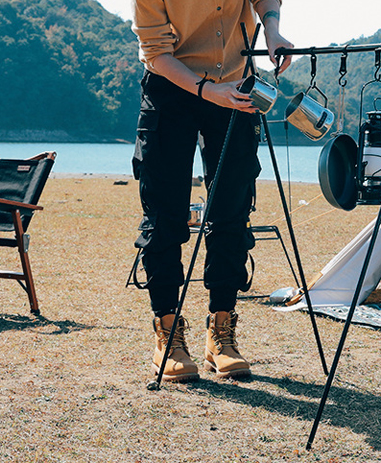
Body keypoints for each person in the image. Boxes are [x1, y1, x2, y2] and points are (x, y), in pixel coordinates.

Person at [131, 0, 293, 382]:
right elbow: (156, 53)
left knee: (232, 213)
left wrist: (271, 27)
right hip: (172, 87)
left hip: (236, 84)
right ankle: (168, 336)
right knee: (165, 214)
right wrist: (207, 91)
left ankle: (221, 333)